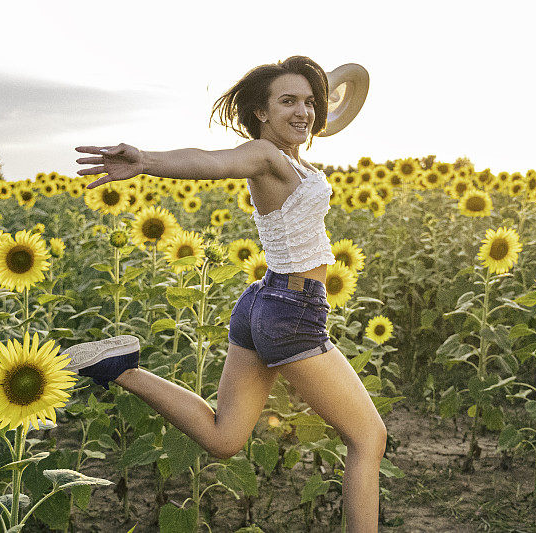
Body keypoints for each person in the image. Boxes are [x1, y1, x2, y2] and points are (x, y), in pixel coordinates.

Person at [69, 55, 386, 533]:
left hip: (265, 301)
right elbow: (208, 162)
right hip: (292, 311)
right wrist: (147, 161)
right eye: (287, 102)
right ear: (261, 112)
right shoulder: (265, 156)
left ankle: (121, 368)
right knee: (369, 438)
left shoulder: (294, 161)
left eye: (307, 102)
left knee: (224, 438)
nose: (301, 111)